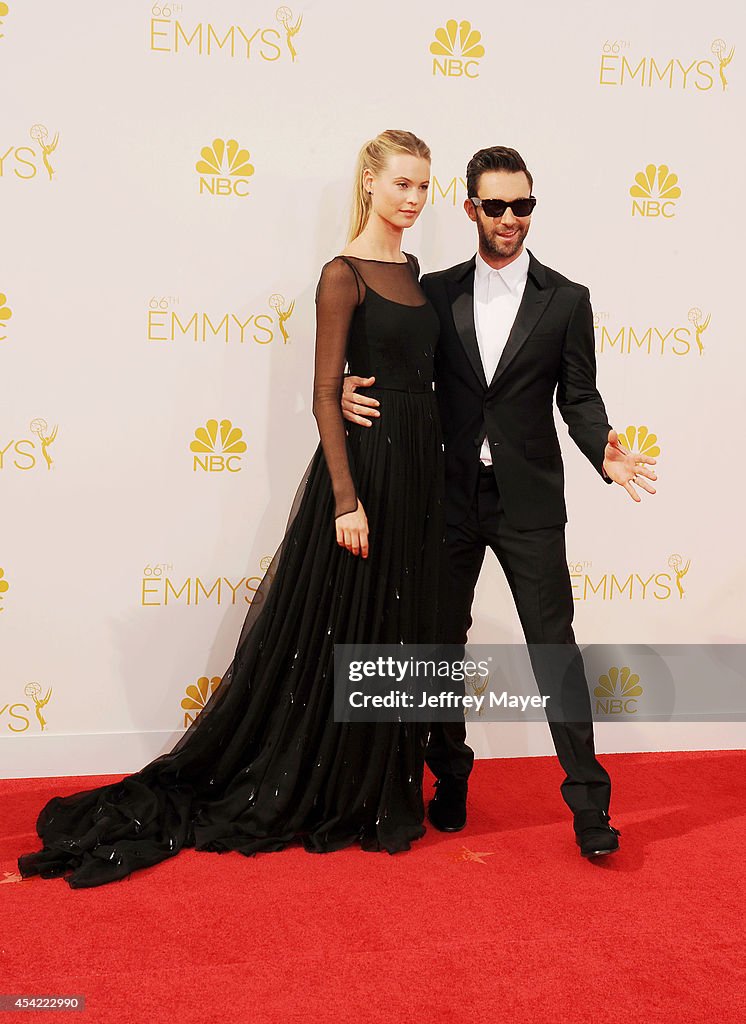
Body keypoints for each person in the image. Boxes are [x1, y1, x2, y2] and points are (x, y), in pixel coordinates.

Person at [17, 130, 443, 888]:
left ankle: (378, 791)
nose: (413, 199)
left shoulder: (413, 271)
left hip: (418, 473)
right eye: (402, 184)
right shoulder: (341, 274)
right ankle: (324, 786)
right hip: (366, 480)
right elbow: (322, 392)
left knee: (396, 626)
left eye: (422, 187)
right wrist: (346, 501)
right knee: (340, 636)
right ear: (370, 182)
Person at [342, 146, 658, 858]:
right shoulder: (437, 291)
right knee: (440, 648)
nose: (511, 218)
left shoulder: (566, 299)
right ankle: (448, 779)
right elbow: (395, 367)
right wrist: (336, 388)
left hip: (528, 503)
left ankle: (589, 808)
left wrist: (603, 445)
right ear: (470, 209)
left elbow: (578, 395)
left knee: (556, 652)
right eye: (496, 206)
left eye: (523, 205)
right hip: (446, 497)